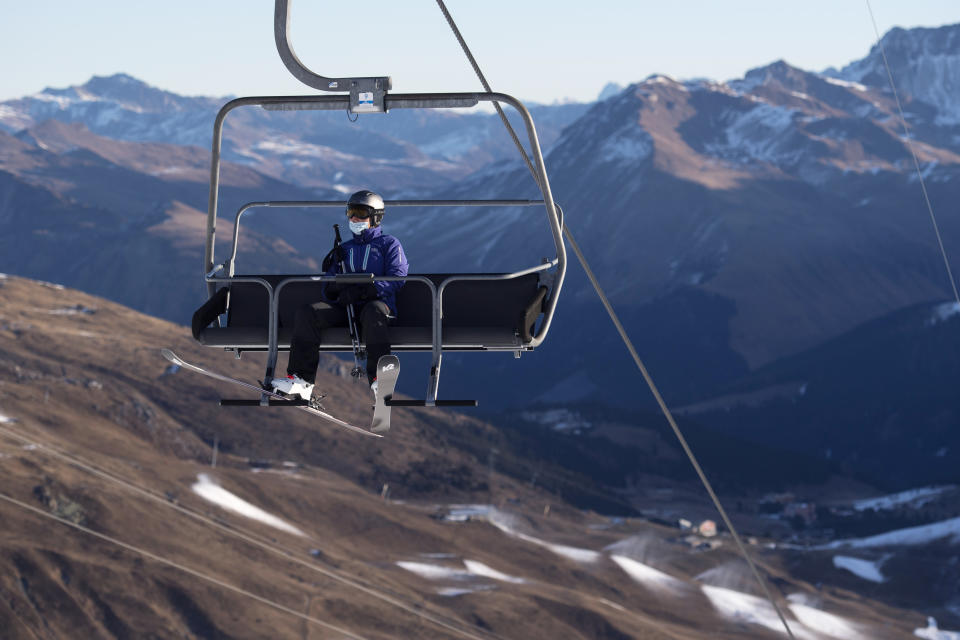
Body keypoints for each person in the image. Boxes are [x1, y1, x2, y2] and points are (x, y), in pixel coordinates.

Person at [271, 190, 408, 400]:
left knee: (374, 312)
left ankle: (380, 380)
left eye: (361, 213)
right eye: (351, 212)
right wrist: (336, 291)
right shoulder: (344, 250)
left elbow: (397, 277)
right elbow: (329, 281)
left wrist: (367, 291)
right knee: (309, 313)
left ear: (376, 217)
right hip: (347, 309)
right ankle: (301, 380)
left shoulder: (388, 244)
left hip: (377, 307)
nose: (354, 218)